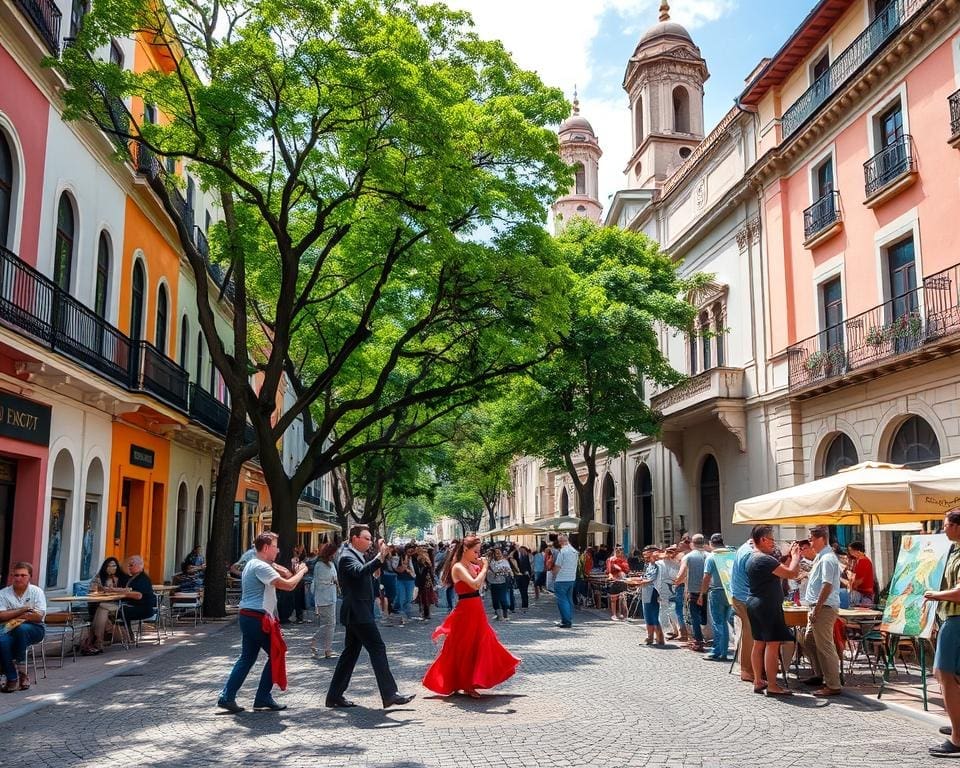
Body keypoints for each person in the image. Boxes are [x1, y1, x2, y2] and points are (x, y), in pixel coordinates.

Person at [325, 525, 415, 709]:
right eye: (366, 538)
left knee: (349, 655)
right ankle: (390, 693)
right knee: (377, 648)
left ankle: (334, 696)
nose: (369, 542)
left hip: (360, 611)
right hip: (357, 613)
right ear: (355, 538)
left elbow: (366, 575)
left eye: (370, 538)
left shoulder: (358, 555)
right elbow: (360, 572)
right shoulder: (346, 557)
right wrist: (379, 557)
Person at [218, 531, 307, 713]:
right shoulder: (260, 566)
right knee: (277, 652)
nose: (278, 549)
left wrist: (287, 569)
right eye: (275, 546)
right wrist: (303, 571)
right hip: (257, 617)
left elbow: (287, 575)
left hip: (249, 616)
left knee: (247, 658)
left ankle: (227, 697)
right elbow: (289, 585)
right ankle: (262, 696)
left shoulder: (255, 563)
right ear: (266, 548)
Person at [422, 535, 520, 697]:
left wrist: (481, 567)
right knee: (465, 646)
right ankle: (465, 683)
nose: (477, 554)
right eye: (475, 551)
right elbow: (475, 584)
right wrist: (484, 568)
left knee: (485, 640)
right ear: (465, 550)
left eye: (479, 551)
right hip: (466, 609)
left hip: (476, 607)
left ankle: (485, 674)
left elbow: (480, 584)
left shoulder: (470, 564)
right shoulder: (458, 567)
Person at [745, 525, 801, 697]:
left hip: (755, 603)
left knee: (759, 642)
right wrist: (796, 556)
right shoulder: (764, 559)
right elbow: (791, 573)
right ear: (762, 539)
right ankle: (772, 685)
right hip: (766, 605)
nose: (773, 544)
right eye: (771, 540)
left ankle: (757, 680)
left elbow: (780, 572)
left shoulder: (751, 558)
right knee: (772, 643)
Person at [923, 508, 960, 758]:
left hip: (956, 620)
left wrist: (933, 595)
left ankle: (958, 740)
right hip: (950, 619)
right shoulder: (953, 551)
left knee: (946, 677)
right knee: (949, 676)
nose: (942, 529)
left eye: (945, 525)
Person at [800, 525, 843, 697]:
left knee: (825, 645)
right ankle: (820, 674)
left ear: (821, 539)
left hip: (824, 607)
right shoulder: (821, 557)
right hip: (817, 606)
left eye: (811, 539)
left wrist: (817, 608)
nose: (810, 542)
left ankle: (833, 684)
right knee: (809, 640)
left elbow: (827, 585)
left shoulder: (827, 559)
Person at [0, 562, 46, 692]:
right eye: (16, 575)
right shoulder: (3, 593)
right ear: (11, 576)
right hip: (8, 629)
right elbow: (1, 616)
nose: (19, 578)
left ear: (29, 576)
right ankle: (12, 678)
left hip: (35, 628)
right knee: (2, 641)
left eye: (23, 575)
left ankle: (21, 671)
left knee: (21, 629)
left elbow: (38, 616)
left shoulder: (36, 592)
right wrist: (23, 610)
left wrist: (12, 614)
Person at [80, 557, 123, 654]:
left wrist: (114, 590)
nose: (112, 567)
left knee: (103, 609)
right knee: (102, 608)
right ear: (105, 567)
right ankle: (96, 642)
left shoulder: (121, 578)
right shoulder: (99, 577)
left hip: (116, 605)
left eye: (114, 565)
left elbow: (126, 590)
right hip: (97, 603)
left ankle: (93, 641)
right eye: (109, 565)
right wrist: (101, 590)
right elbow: (92, 590)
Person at [699, 534, 732, 661]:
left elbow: (706, 577)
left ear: (711, 544)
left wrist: (702, 593)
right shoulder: (730, 554)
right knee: (724, 622)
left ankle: (717, 651)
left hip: (717, 591)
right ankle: (724, 650)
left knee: (718, 623)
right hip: (730, 591)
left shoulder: (712, 557)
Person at [675, 533, 708, 652]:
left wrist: (676, 582)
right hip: (708, 591)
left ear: (692, 544)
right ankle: (711, 640)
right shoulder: (709, 555)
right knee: (707, 617)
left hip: (693, 591)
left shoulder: (688, 557)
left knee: (694, 618)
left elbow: (681, 574)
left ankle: (698, 641)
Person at [730, 537, 756, 683]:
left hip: (740, 596)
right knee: (750, 633)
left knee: (747, 632)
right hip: (745, 597)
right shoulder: (749, 553)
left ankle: (748, 667)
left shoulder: (743, 549)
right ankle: (747, 670)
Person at [310, 543, 340, 659]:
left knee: (331, 624)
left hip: (332, 596)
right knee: (328, 623)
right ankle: (316, 642)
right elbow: (320, 581)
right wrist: (332, 581)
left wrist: (336, 583)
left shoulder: (331, 564)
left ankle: (327, 649)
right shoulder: (319, 565)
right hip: (323, 597)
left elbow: (335, 577)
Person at [635, 546, 665, 645]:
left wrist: (638, 581)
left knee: (653, 615)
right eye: (644, 556)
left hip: (653, 592)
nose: (645, 559)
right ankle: (650, 637)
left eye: (647, 556)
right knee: (647, 615)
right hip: (646, 592)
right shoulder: (649, 565)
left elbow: (651, 579)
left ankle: (659, 637)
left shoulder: (657, 565)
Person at [552, 534, 578, 628]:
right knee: (568, 600)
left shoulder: (563, 552)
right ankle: (568, 618)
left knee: (562, 600)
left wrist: (553, 575)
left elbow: (558, 566)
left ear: (560, 542)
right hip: (571, 578)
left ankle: (566, 621)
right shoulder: (574, 551)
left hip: (562, 579)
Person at [845, 541, 875, 607]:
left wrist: (850, 585)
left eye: (851, 551)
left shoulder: (863, 561)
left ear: (857, 551)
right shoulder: (858, 561)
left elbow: (859, 580)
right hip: (861, 593)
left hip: (864, 595)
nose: (850, 553)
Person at [486, 549, 512, 621]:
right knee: (495, 599)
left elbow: (508, 570)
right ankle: (499, 615)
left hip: (503, 582)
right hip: (493, 582)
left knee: (504, 599)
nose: (498, 554)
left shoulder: (504, 561)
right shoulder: (490, 562)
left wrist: (502, 571)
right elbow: (494, 570)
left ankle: (505, 614)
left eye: (499, 553)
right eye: (496, 553)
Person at [606, 544, 630, 621]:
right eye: (617, 550)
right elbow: (608, 571)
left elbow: (627, 570)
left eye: (620, 550)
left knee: (622, 598)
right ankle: (614, 614)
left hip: (622, 580)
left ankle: (622, 614)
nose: (618, 552)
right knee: (614, 598)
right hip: (614, 580)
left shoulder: (624, 560)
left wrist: (621, 570)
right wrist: (611, 576)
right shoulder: (610, 559)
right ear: (615, 551)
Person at [414, 549, 436, 620]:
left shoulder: (425, 562)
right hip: (424, 582)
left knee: (425, 598)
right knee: (424, 598)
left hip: (426, 582)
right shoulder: (421, 562)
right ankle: (425, 613)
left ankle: (425, 613)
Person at [513, 546, 533, 613]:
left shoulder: (527, 556)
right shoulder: (517, 557)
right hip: (519, 576)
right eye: (520, 550)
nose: (521, 551)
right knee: (522, 591)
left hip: (525, 576)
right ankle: (524, 604)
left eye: (523, 550)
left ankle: (525, 605)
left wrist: (528, 573)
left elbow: (529, 566)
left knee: (524, 591)